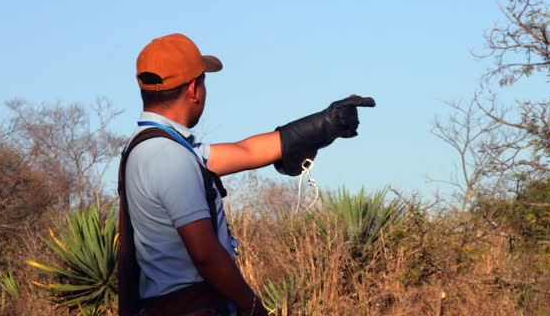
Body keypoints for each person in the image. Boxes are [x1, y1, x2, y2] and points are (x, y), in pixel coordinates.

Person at [117, 33, 375, 316]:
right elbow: (205, 255)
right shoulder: (168, 157)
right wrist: (253, 308)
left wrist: (325, 124)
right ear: (194, 89)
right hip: (191, 306)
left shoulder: (156, 147)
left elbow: (246, 151)